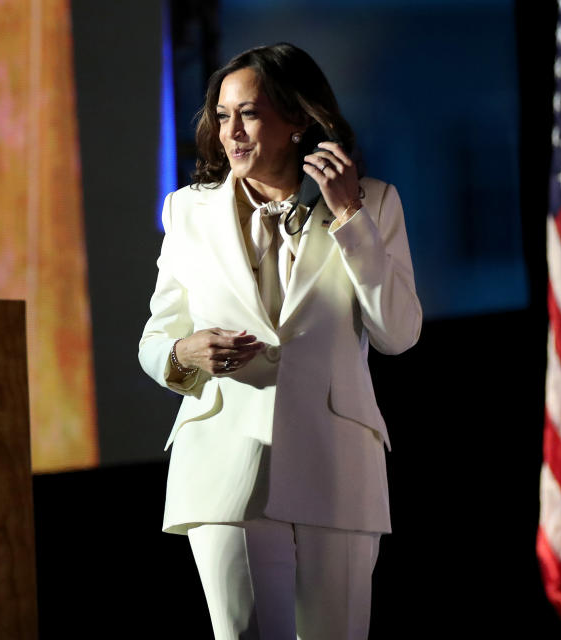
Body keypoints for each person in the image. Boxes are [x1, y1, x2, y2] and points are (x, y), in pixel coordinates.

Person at [139, 42, 421, 639]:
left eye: (250, 113)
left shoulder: (375, 203)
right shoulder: (187, 213)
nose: (230, 132)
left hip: (336, 459)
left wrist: (351, 220)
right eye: (221, 116)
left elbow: (397, 334)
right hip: (223, 462)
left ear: (299, 119)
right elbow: (157, 336)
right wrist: (184, 353)